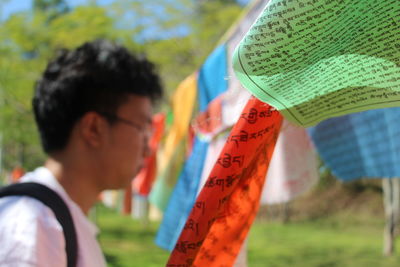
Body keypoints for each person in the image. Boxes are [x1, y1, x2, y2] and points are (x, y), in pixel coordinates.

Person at [0, 39, 163, 266]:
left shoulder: (55, 220)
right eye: (143, 129)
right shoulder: (32, 227)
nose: (148, 147)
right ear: (93, 128)